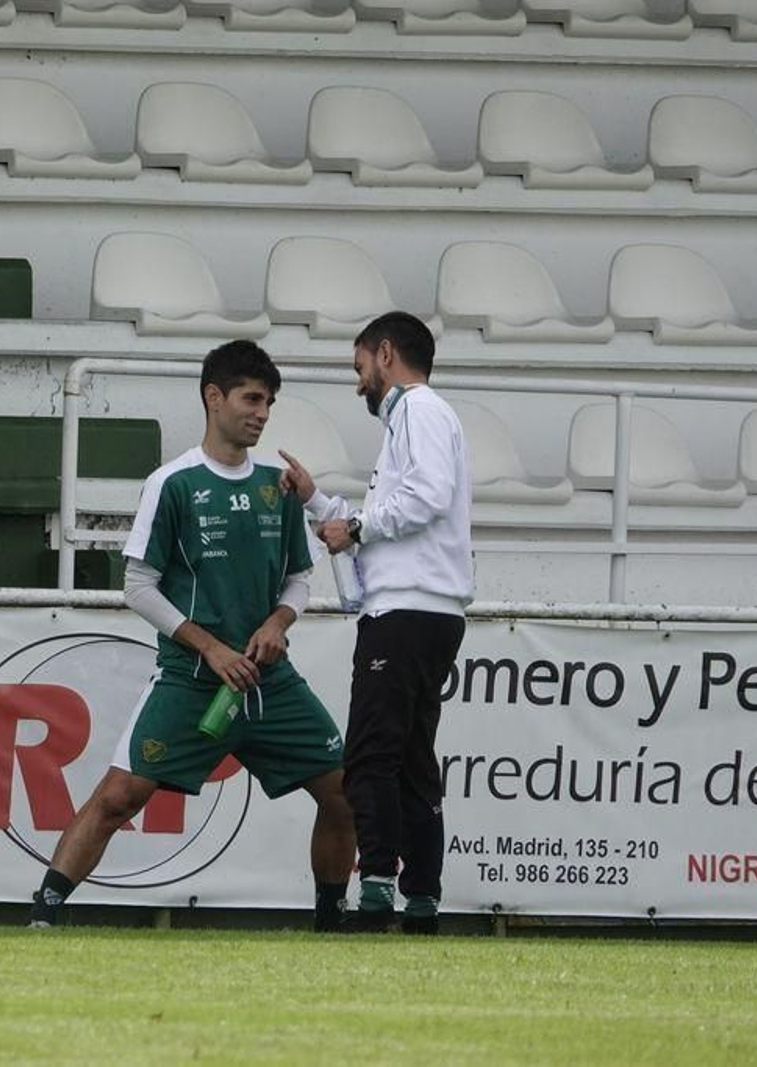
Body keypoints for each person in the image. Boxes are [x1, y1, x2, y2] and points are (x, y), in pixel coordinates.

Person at [27, 340, 356, 931]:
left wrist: (278, 622)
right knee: (118, 798)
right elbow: (138, 586)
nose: (261, 413)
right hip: (192, 678)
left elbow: (299, 578)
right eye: (251, 399)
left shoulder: (277, 484)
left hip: (269, 682)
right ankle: (42, 916)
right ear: (214, 397)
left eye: (269, 402)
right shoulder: (172, 483)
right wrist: (211, 647)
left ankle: (332, 927)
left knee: (345, 793)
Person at [279, 310, 472, 935]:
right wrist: (317, 500)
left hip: (406, 611)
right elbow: (404, 508)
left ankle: (378, 895)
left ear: (386, 354)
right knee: (411, 759)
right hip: (429, 610)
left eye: (360, 365)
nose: (358, 380)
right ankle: (421, 901)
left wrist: (357, 526)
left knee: (370, 757)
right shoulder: (420, 418)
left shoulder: (416, 410)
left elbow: (425, 498)